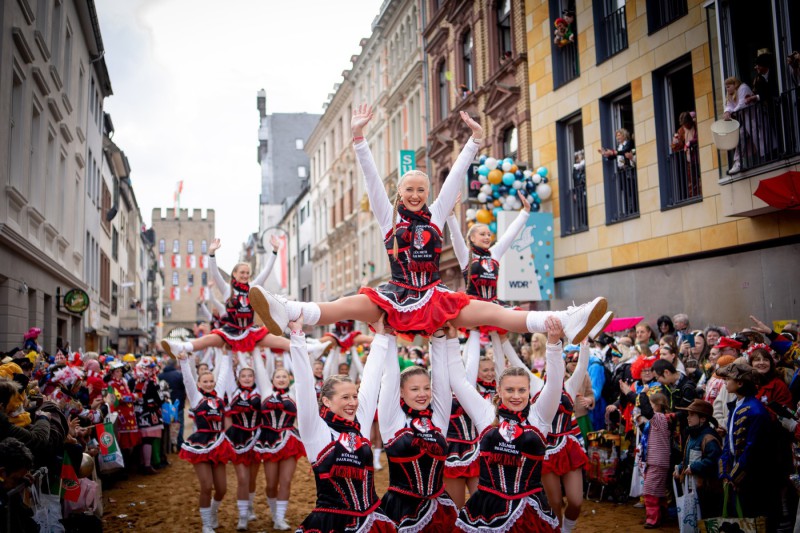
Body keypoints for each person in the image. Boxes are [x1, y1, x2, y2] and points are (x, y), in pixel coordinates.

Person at [248, 104, 607, 344]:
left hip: (435, 295)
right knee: (347, 305)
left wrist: (475, 141)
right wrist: (358, 139)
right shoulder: (388, 217)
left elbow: (454, 179)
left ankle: (567, 319)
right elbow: (372, 180)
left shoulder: (436, 215)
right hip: (398, 293)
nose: (417, 194)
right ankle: (287, 309)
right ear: (400, 193)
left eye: (422, 188)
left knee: (498, 313)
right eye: (410, 189)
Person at [447, 316, 565, 531]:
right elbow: (458, 382)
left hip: (529, 509)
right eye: (510, 390)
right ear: (499, 391)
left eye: (522, 390)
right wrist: (452, 341)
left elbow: (555, 383)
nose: (516, 396)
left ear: (530, 391)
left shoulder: (540, 416)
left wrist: (554, 344)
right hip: (486, 509)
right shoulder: (485, 413)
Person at [285, 314, 395, 532]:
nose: (353, 403)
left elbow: (372, 379)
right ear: (326, 400)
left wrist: (381, 336)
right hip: (332, 523)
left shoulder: (358, 424)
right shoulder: (316, 430)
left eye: (354, 396)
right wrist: (297, 335)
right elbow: (304, 384)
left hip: (371, 519)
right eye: (345, 398)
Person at [376, 320, 457, 531]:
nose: (422, 394)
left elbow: (441, 378)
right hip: (401, 509)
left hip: (439, 508)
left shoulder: (437, 419)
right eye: (414, 389)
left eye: (425, 388)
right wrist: (389, 334)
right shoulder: (393, 420)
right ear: (401, 392)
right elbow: (390, 376)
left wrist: (438, 335)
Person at [160, 237, 290, 359]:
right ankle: (180, 347)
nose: (245, 275)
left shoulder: (252, 287)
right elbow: (215, 273)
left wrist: (274, 251)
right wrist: (211, 253)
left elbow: (265, 272)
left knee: (281, 341)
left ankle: (306, 349)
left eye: (247, 273)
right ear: (234, 274)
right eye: (242, 273)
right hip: (231, 331)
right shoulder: (227, 289)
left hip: (250, 331)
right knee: (208, 339)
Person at [717, 361, 782, 528]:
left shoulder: (756, 411)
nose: (725, 382)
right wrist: (726, 472)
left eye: (728, 379)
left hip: (753, 477)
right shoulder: (737, 406)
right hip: (736, 472)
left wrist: (735, 475)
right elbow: (729, 443)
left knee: (753, 519)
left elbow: (753, 449)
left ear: (740, 383)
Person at [177, 350, 234, 533]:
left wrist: (226, 355)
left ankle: (213, 512)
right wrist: (185, 361)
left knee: (222, 489)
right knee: (206, 486)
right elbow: (187, 380)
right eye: (205, 381)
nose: (209, 384)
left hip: (218, 443)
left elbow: (224, 374)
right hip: (200, 444)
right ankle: (206, 524)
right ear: (199, 383)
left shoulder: (218, 396)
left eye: (211, 381)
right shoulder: (196, 397)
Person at [540, 342, 590, 533]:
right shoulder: (536, 387)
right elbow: (515, 361)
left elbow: (582, 367)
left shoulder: (568, 387)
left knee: (576, 502)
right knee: (554, 502)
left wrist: (584, 344)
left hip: (568, 446)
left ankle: (566, 529)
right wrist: (501, 341)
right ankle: (557, 530)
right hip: (545, 450)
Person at [252, 352, 305, 531]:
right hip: (269, 441)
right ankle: (275, 513)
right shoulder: (266, 392)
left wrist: (298, 351)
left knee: (286, 481)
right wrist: (256, 348)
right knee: (271, 483)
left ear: (289, 378)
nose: (281, 379)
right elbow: (259, 370)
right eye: (278, 376)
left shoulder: (294, 393)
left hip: (290, 440)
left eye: (284, 376)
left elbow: (302, 373)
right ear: (272, 379)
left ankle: (280, 518)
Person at [223, 360, 262, 531]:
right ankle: (242, 516)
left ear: (255, 377)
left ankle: (250, 506)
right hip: (238, 438)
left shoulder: (261, 392)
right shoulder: (233, 392)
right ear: (238, 378)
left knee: (252, 479)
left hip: (257, 437)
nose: (246, 378)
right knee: (243, 479)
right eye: (243, 376)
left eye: (250, 375)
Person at [675, 399, 723, 519]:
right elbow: (689, 459)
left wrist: (695, 467)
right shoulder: (692, 436)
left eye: (692, 415)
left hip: (707, 490)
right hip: (694, 488)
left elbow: (714, 460)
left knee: (707, 517)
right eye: (688, 415)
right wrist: (680, 468)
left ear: (703, 419)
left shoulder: (709, 437)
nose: (688, 418)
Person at [637, 392, 674, 528]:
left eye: (652, 405)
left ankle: (653, 519)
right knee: (658, 491)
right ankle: (663, 516)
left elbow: (646, 410)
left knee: (650, 491)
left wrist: (641, 393)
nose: (649, 408)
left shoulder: (659, 417)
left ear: (657, 406)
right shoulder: (662, 419)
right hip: (659, 460)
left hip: (657, 461)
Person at [132, 356, 164, 475]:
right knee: (148, 440)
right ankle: (147, 465)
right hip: (150, 414)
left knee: (143, 440)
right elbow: (160, 399)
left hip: (139, 413)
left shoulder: (136, 382)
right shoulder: (153, 383)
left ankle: (142, 463)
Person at [723, 77, 756, 175]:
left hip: (754, 118)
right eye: (726, 87)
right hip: (746, 121)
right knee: (740, 137)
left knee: (759, 139)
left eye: (729, 86)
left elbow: (742, 104)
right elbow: (728, 105)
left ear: (735, 84)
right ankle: (738, 163)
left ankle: (738, 162)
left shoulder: (743, 88)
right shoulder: (731, 94)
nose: (727, 89)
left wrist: (731, 112)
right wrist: (727, 112)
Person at [671, 111, 699, 197]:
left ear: (689, 121)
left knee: (701, 179)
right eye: (683, 124)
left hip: (698, 157)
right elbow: (677, 147)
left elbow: (699, 137)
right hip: (689, 159)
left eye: (686, 123)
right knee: (691, 182)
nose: (685, 126)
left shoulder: (696, 125)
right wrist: (675, 143)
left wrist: (690, 143)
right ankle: (693, 198)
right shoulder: (681, 130)